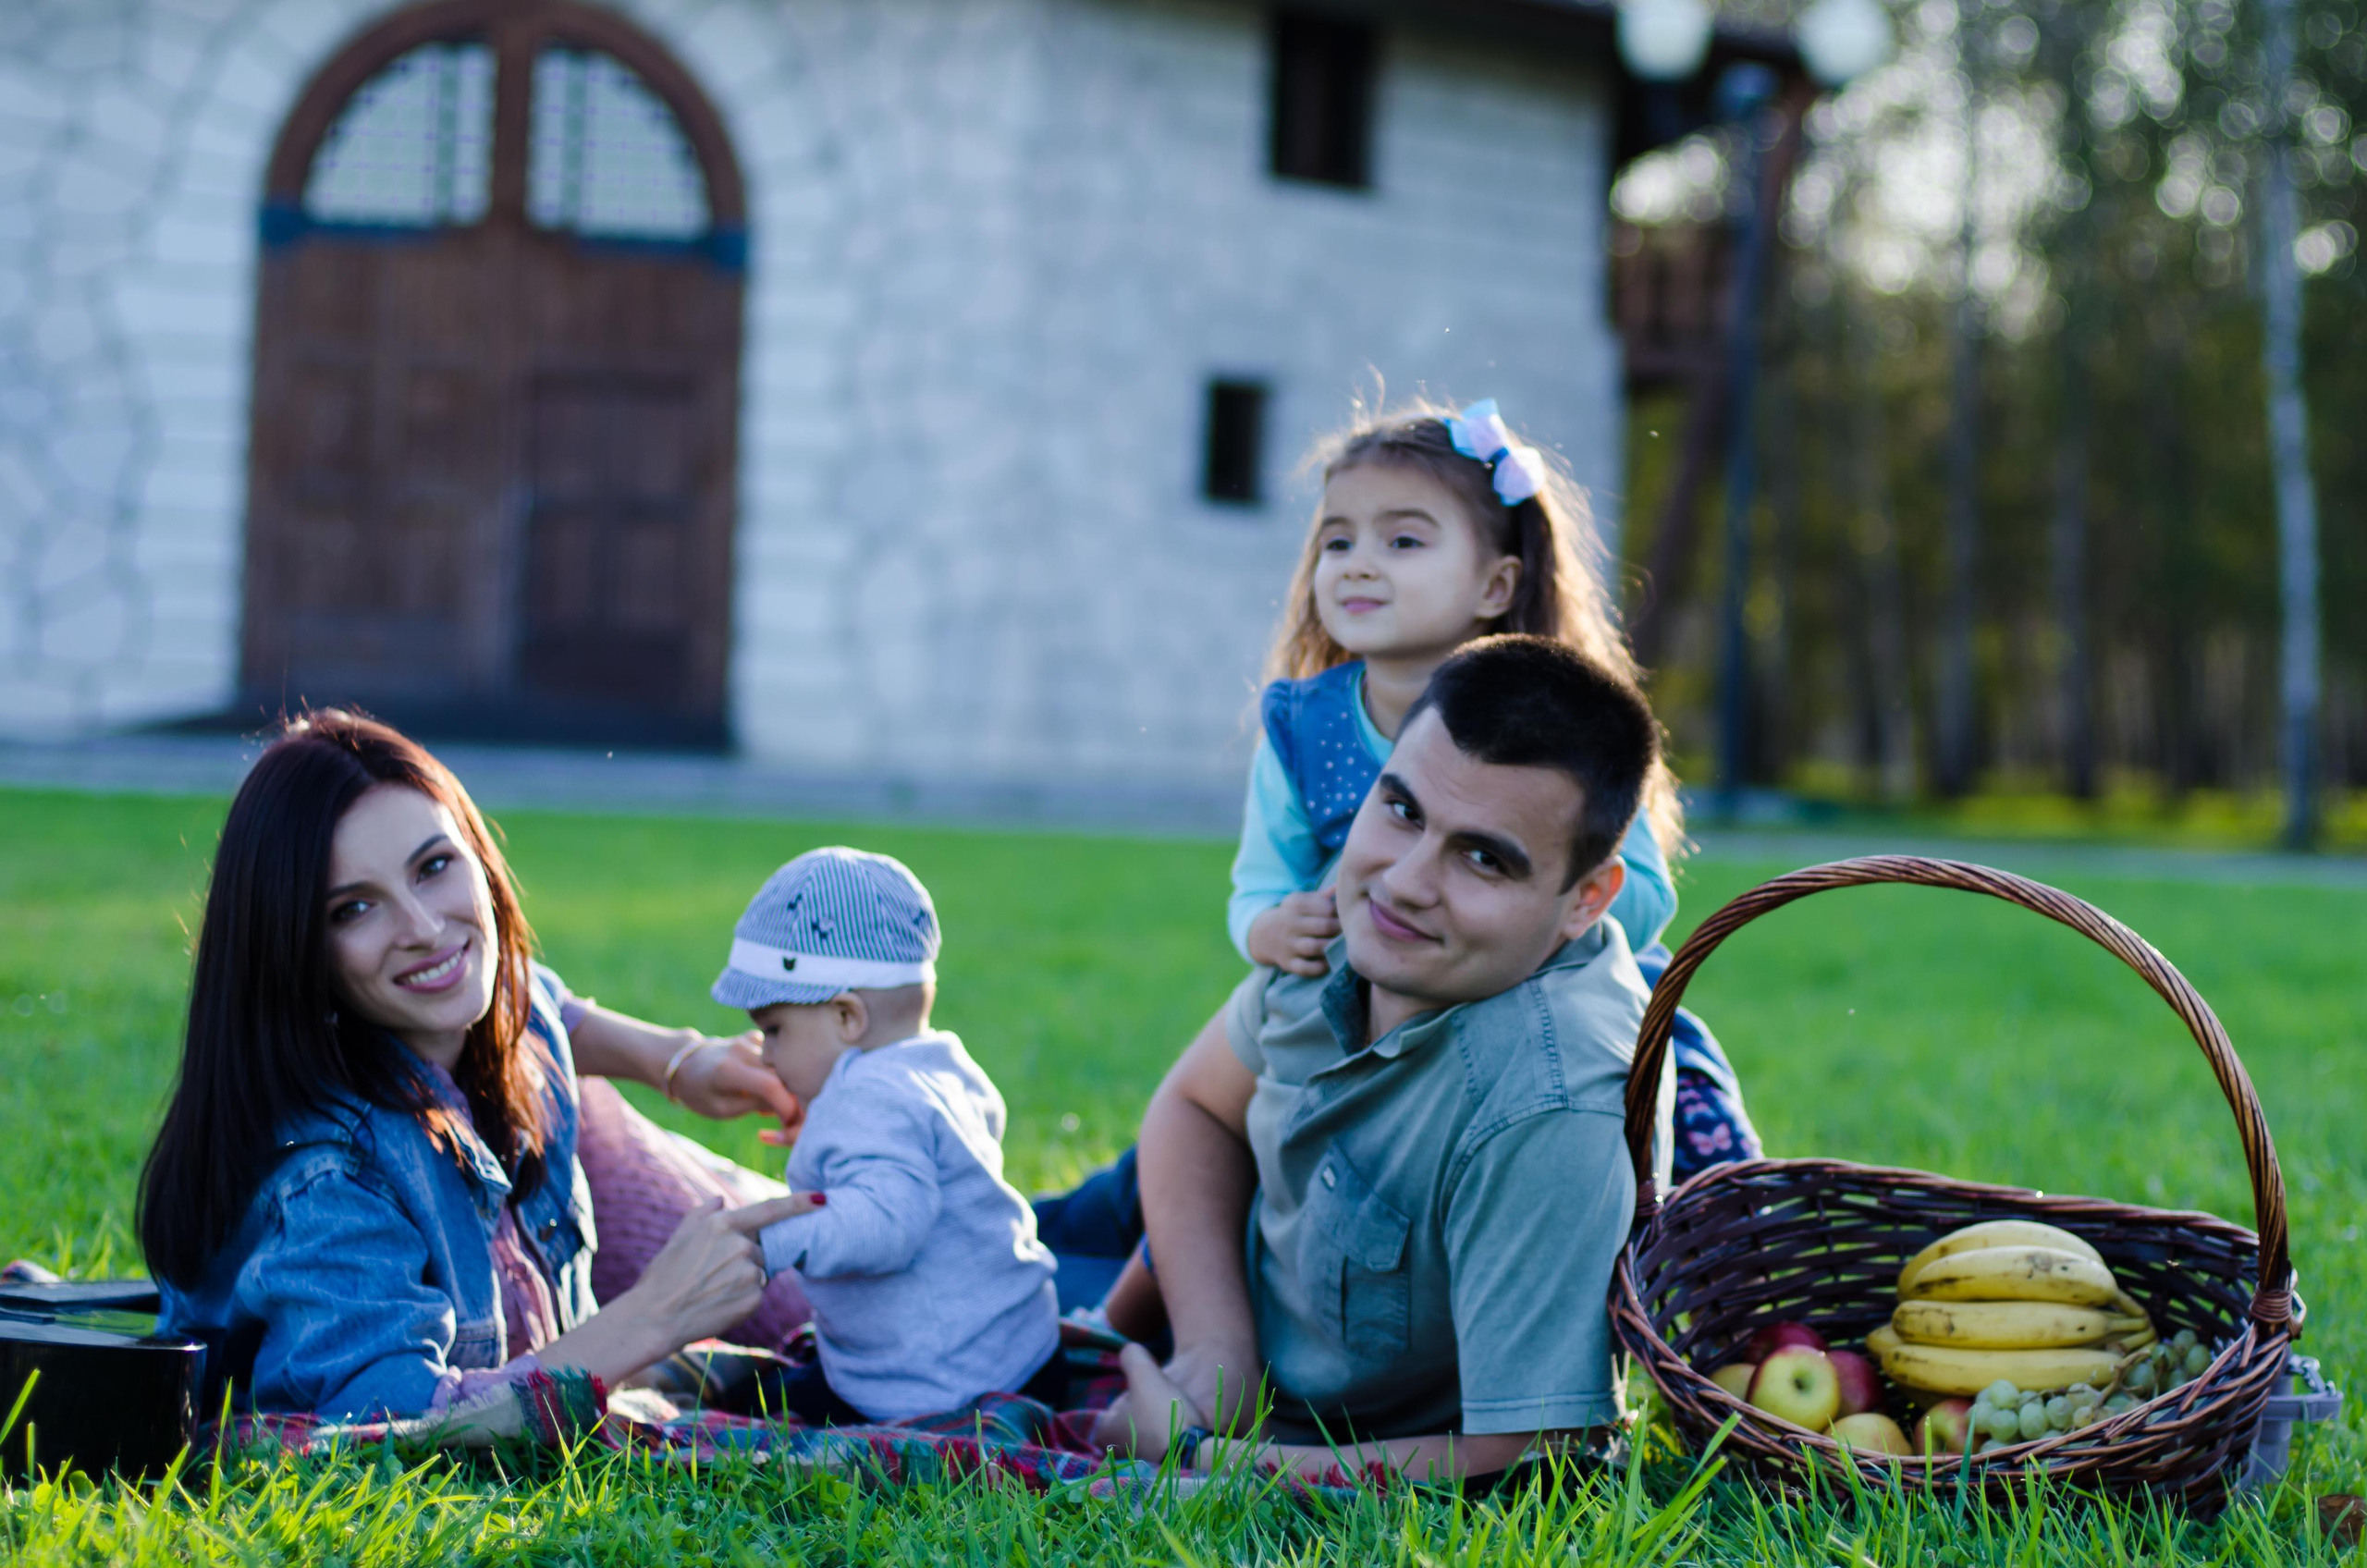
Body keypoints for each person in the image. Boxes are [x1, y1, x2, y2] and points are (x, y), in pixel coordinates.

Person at [1096, 635, 1675, 1483]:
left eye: (1483, 857)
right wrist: (1216, 1361)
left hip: (1360, 1438)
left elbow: (1530, 1456)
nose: (1403, 881)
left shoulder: (1554, 1106)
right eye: (1402, 810)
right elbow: (1195, 1107)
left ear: (1585, 899)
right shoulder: (1347, 916)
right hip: (1246, 1302)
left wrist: (1205, 1456)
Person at [141, 712, 818, 1423]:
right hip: (559, 1336)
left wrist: (678, 1060)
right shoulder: (326, 1178)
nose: (426, 930)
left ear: (479, 860)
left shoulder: (479, 1017)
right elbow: (397, 1425)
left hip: (553, 1262)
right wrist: (654, 1316)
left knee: (852, 1305)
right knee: (839, 1343)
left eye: (434, 867)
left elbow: (538, 1000)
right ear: (294, 949)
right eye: (355, 908)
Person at [713, 848, 1063, 1424]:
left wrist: (767, 1244)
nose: (766, 1055)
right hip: (1020, 1349)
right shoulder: (937, 1064)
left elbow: (886, 1223)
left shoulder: (867, 1100)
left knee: (759, 1413)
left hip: (939, 1382)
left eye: (774, 1030)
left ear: (847, 1018)